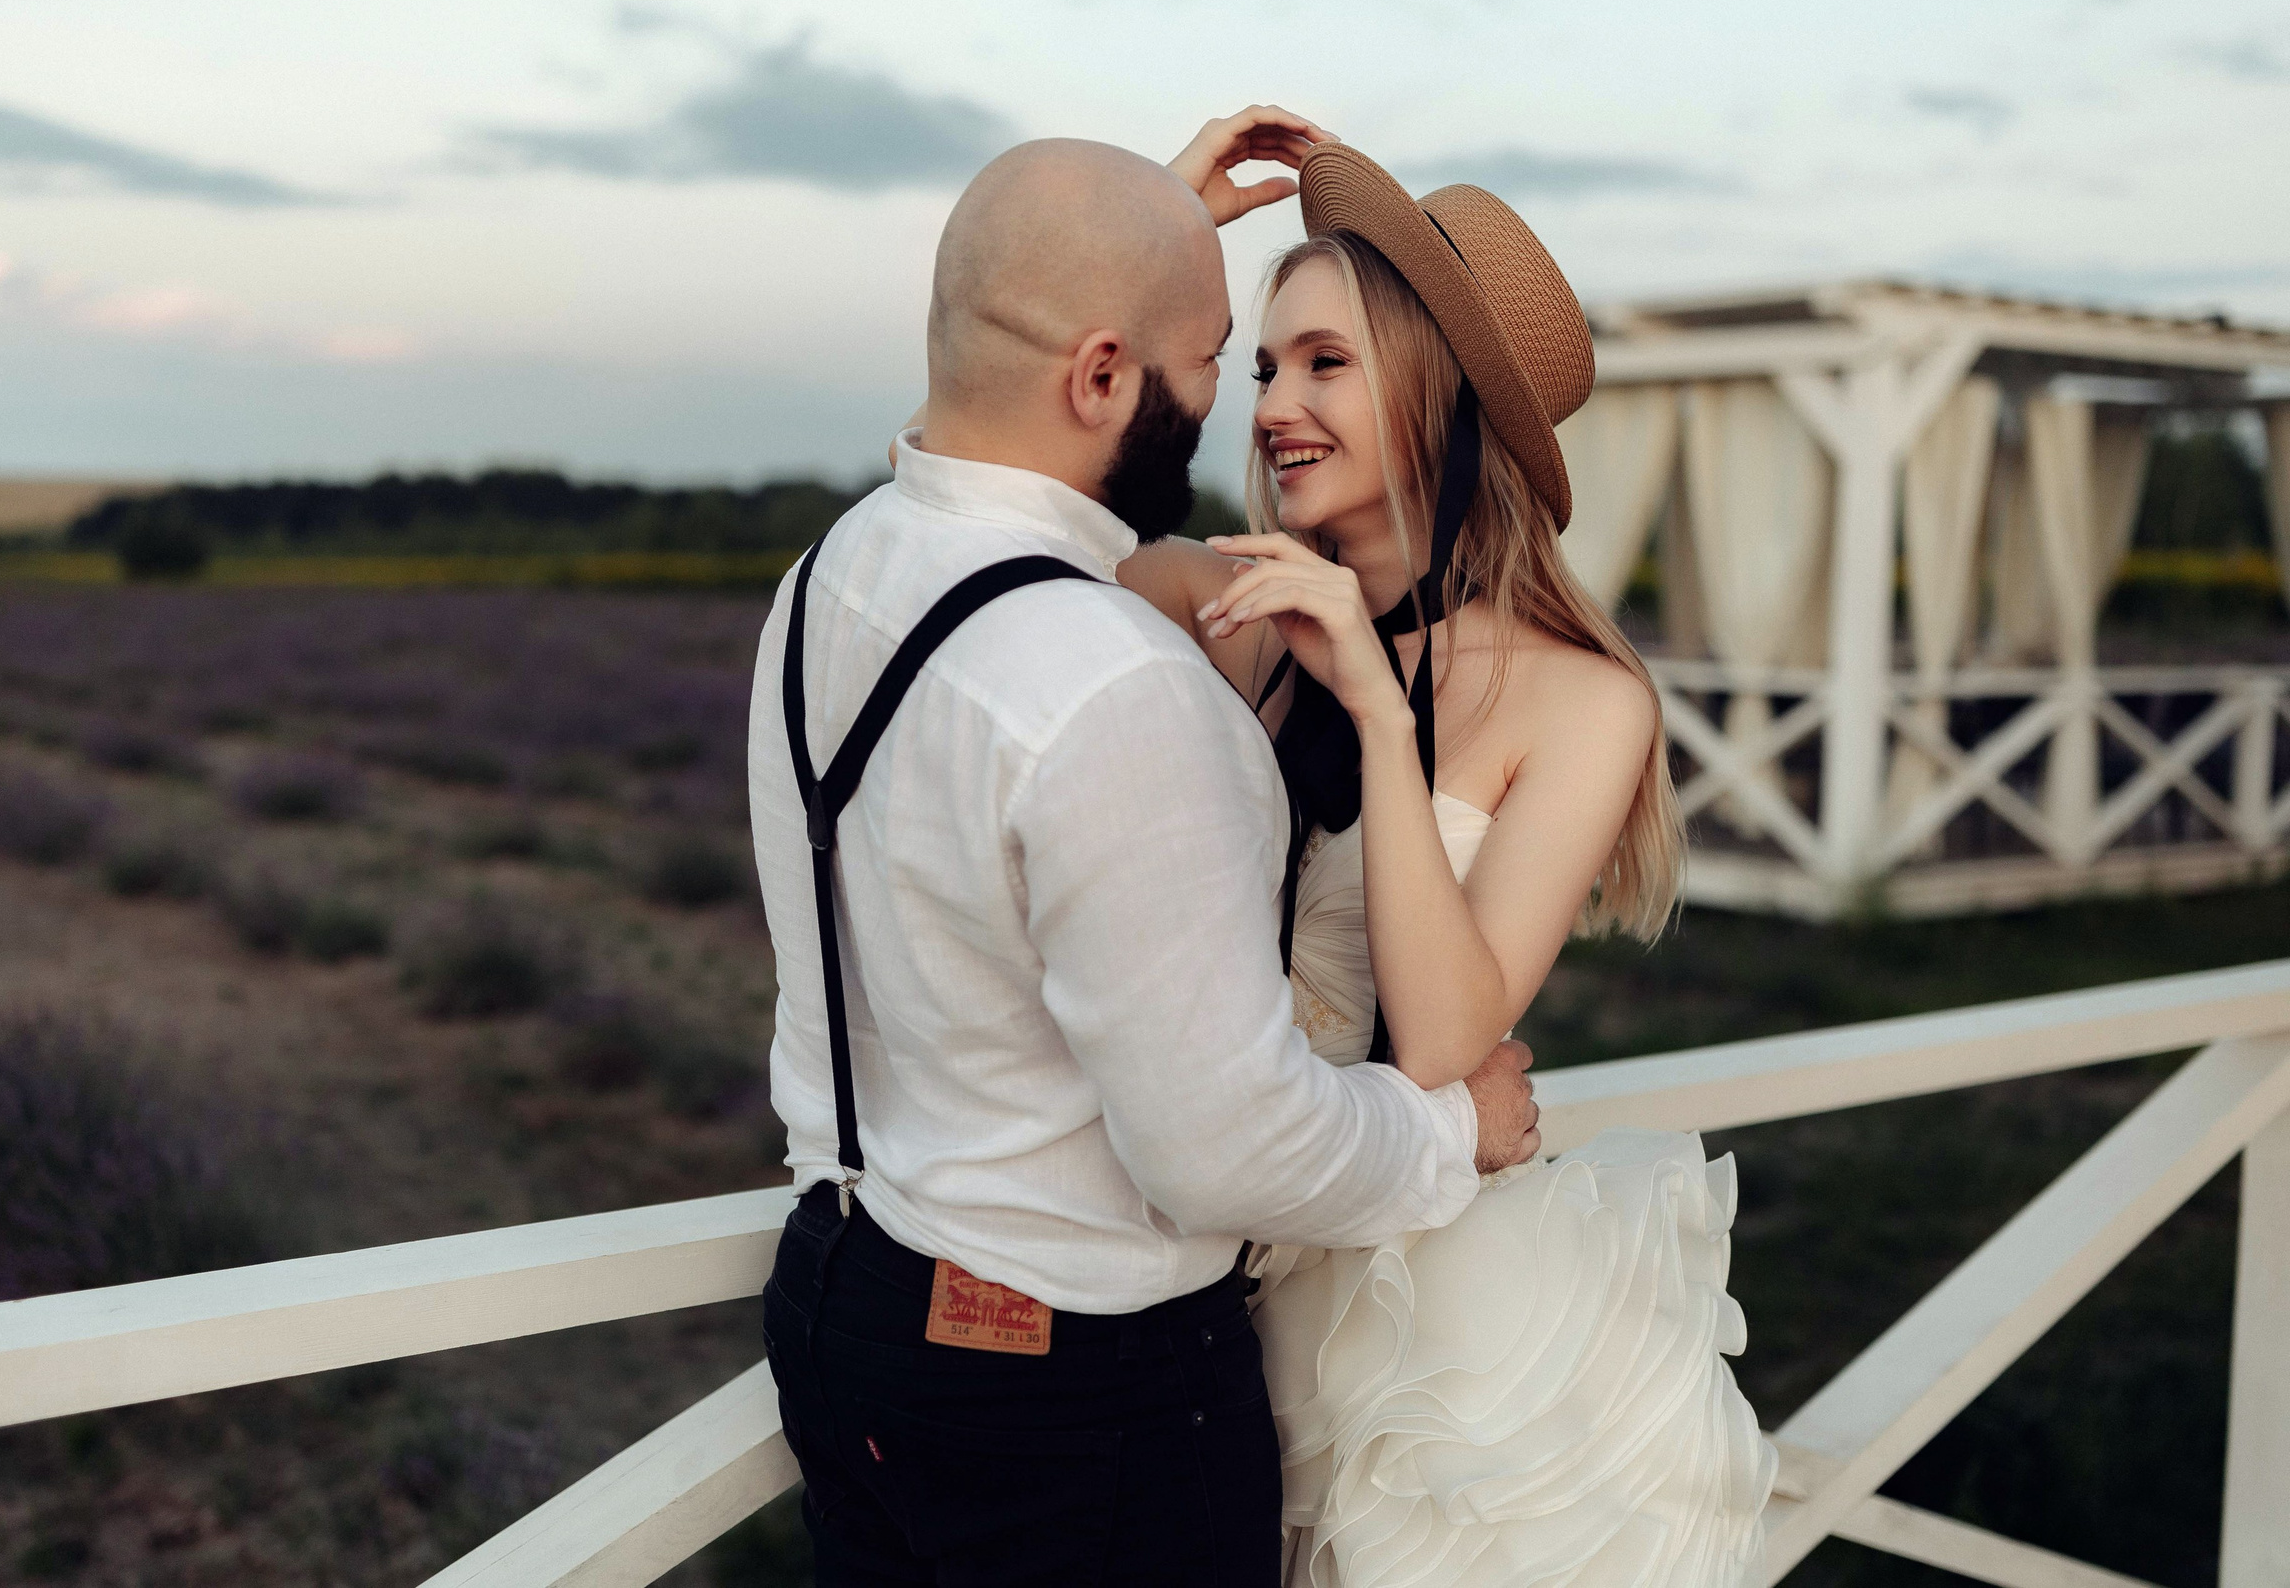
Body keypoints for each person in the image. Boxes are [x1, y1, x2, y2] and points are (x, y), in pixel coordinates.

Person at [750, 136, 1544, 1587]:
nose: (1237, 404)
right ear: (1105, 377)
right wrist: (1453, 1137)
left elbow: (1016, 346)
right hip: (1067, 1401)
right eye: (1218, 359)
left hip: (839, 1303)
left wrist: (1136, 235)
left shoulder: (827, 579)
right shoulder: (1114, 684)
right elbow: (1228, 1146)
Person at [1120, 116, 1777, 1583]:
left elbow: (1445, 1038)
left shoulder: (1584, 698)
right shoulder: (1222, 605)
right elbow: (1013, 533)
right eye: (1267, 363)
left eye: (1325, 363)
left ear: (1440, 399)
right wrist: (1156, 226)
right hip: (1206, 1277)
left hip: (1439, 1329)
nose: (1275, 401)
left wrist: (1367, 691)